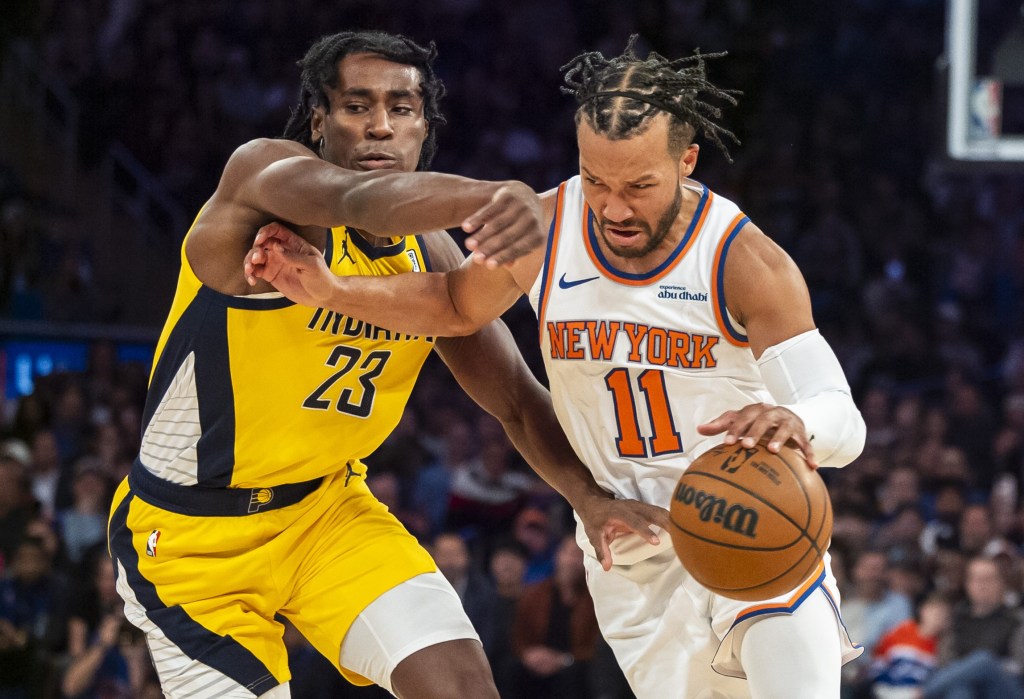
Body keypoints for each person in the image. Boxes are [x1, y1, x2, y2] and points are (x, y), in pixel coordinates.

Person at [247, 36, 868, 698]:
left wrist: (795, 416)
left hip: (754, 518)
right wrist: (333, 289)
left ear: (686, 160)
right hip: (634, 552)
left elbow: (843, 420)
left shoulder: (741, 258)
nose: (614, 207)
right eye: (595, 179)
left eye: (639, 185)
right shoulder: (547, 223)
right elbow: (456, 303)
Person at [108, 30, 664, 699]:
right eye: (356, 106)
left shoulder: (429, 254)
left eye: (402, 109)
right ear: (320, 120)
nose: (380, 126)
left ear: (424, 127)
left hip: (327, 512)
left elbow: (514, 396)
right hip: (191, 538)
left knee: (461, 686)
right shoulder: (264, 184)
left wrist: (590, 497)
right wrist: (496, 196)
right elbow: (355, 201)